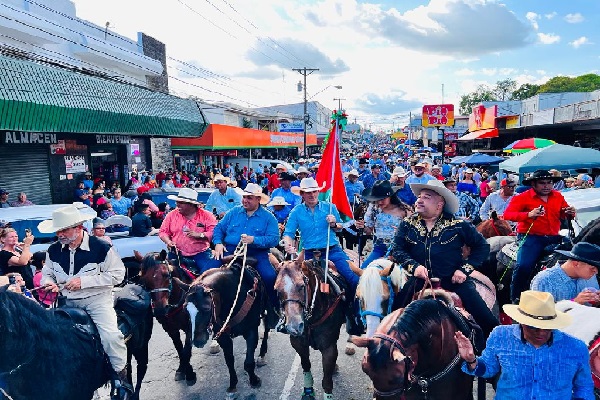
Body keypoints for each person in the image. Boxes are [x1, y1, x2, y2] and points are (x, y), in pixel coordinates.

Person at [38, 205, 132, 397]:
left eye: (64, 230)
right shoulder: (53, 250)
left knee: (111, 337)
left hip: (97, 301)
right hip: (67, 302)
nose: (60, 234)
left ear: (79, 227)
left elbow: (118, 275)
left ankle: (121, 378)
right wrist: (49, 283)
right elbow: (47, 272)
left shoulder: (102, 247)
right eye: (58, 230)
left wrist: (84, 282)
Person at [389, 179, 498, 338]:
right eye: (419, 196)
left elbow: (482, 246)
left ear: (439, 204)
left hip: (453, 281)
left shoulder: (459, 224)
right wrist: (413, 267)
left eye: (426, 197)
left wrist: (464, 270)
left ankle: (489, 351)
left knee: (485, 319)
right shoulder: (407, 224)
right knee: (394, 318)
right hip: (419, 280)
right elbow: (397, 248)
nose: (419, 200)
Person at [455, 290, 594, 400]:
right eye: (534, 328)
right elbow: (488, 370)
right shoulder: (501, 335)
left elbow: (584, 388)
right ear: (521, 322)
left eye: (547, 327)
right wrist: (471, 360)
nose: (541, 333)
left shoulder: (576, 348)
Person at [283, 177, 363, 335]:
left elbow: (340, 228)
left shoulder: (330, 207)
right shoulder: (296, 211)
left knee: (354, 280)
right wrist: (287, 243)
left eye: (314, 191)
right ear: (302, 195)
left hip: (331, 250)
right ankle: (287, 317)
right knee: (290, 283)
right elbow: (289, 233)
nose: (312, 195)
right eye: (308, 192)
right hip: (308, 252)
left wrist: (334, 224)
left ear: (318, 192)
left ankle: (353, 314)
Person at [212, 183, 280, 327]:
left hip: (257, 253)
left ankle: (274, 309)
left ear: (258, 200)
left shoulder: (268, 217)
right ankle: (207, 309)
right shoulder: (233, 212)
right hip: (231, 250)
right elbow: (219, 228)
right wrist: (218, 243)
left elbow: (274, 239)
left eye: (249, 198)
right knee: (208, 271)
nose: (245, 200)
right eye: (244, 197)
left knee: (269, 277)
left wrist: (254, 240)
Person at [504, 169, 576, 303]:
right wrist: (528, 215)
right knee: (523, 266)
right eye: (542, 183)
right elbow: (507, 215)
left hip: (554, 236)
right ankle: (515, 298)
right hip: (531, 237)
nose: (547, 186)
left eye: (549, 183)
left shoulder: (558, 196)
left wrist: (570, 212)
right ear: (533, 184)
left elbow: (564, 213)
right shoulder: (522, 197)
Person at [159, 188, 220, 274]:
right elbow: (163, 231)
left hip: (200, 254)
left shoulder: (207, 216)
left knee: (208, 275)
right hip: (176, 253)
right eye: (177, 202)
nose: (177, 204)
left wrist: (200, 235)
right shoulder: (172, 215)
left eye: (181, 203)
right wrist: (168, 241)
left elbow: (215, 232)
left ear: (191, 205)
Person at [356, 180, 411, 268]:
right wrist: (362, 226)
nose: (379, 202)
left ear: (390, 196)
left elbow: (412, 234)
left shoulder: (405, 210)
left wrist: (401, 232)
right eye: (377, 199)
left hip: (400, 249)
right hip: (379, 248)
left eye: (382, 199)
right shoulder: (374, 208)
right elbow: (369, 231)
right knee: (364, 270)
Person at [531, 242, 600, 304]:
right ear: (576, 264)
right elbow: (538, 313)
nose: (596, 272)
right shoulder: (545, 280)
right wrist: (574, 302)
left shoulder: (589, 276)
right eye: (592, 268)